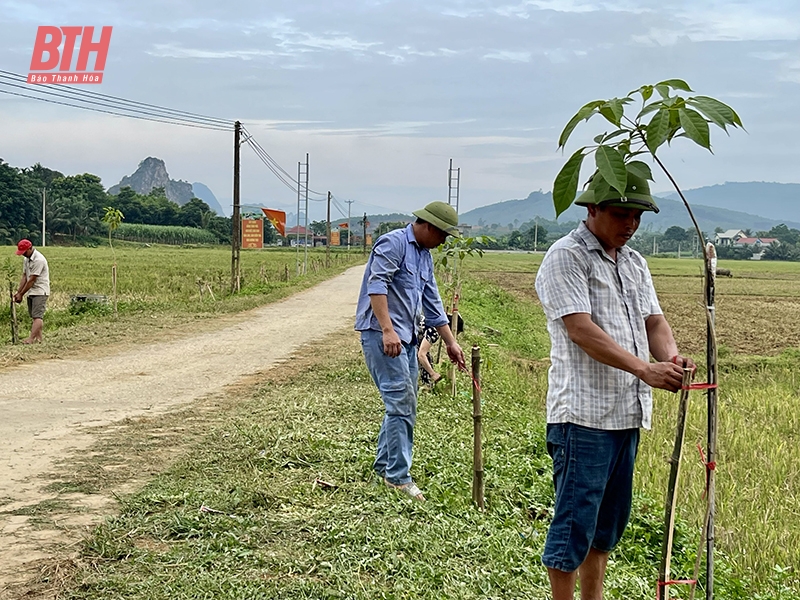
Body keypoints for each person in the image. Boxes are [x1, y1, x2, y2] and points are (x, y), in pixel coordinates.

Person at [534, 171, 695, 600]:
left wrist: (671, 357)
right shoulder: (566, 257)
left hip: (626, 415)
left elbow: (654, 321)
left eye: (637, 216)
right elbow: (580, 329)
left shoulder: (634, 262)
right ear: (592, 209)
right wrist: (644, 369)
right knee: (573, 526)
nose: (630, 225)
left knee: (605, 529)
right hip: (583, 418)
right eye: (621, 214)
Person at [355, 201, 466, 501]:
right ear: (428, 226)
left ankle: (384, 467)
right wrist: (388, 330)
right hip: (383, 335)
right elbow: (376, 286)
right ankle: (398, 477)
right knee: (400, 402)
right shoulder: (393, 244)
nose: (443, 242)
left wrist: (451, 342)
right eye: (443, 235)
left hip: (407, 339)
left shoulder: (424, 256)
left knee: (404, 402)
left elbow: (434, 305)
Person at [13, 239, 50, 344]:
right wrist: (18, 292)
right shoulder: (26, 259)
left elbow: (31, 280)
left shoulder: (39, 260)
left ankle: (31, 339)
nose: (23, 254)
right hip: (31, 291)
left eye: (25, 251)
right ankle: (39, 339)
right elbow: (25, 276)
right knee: (33, 316)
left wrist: (21, 294)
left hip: (40, 290)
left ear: (30, 248)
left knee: (37, 316)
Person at [417, 312, 464, 387]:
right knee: (425, 360)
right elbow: (421, 355)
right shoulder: (434, 331)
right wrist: (433, 374)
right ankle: (426, 385)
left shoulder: (434, 321)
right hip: (405, 337)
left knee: (428, 359)